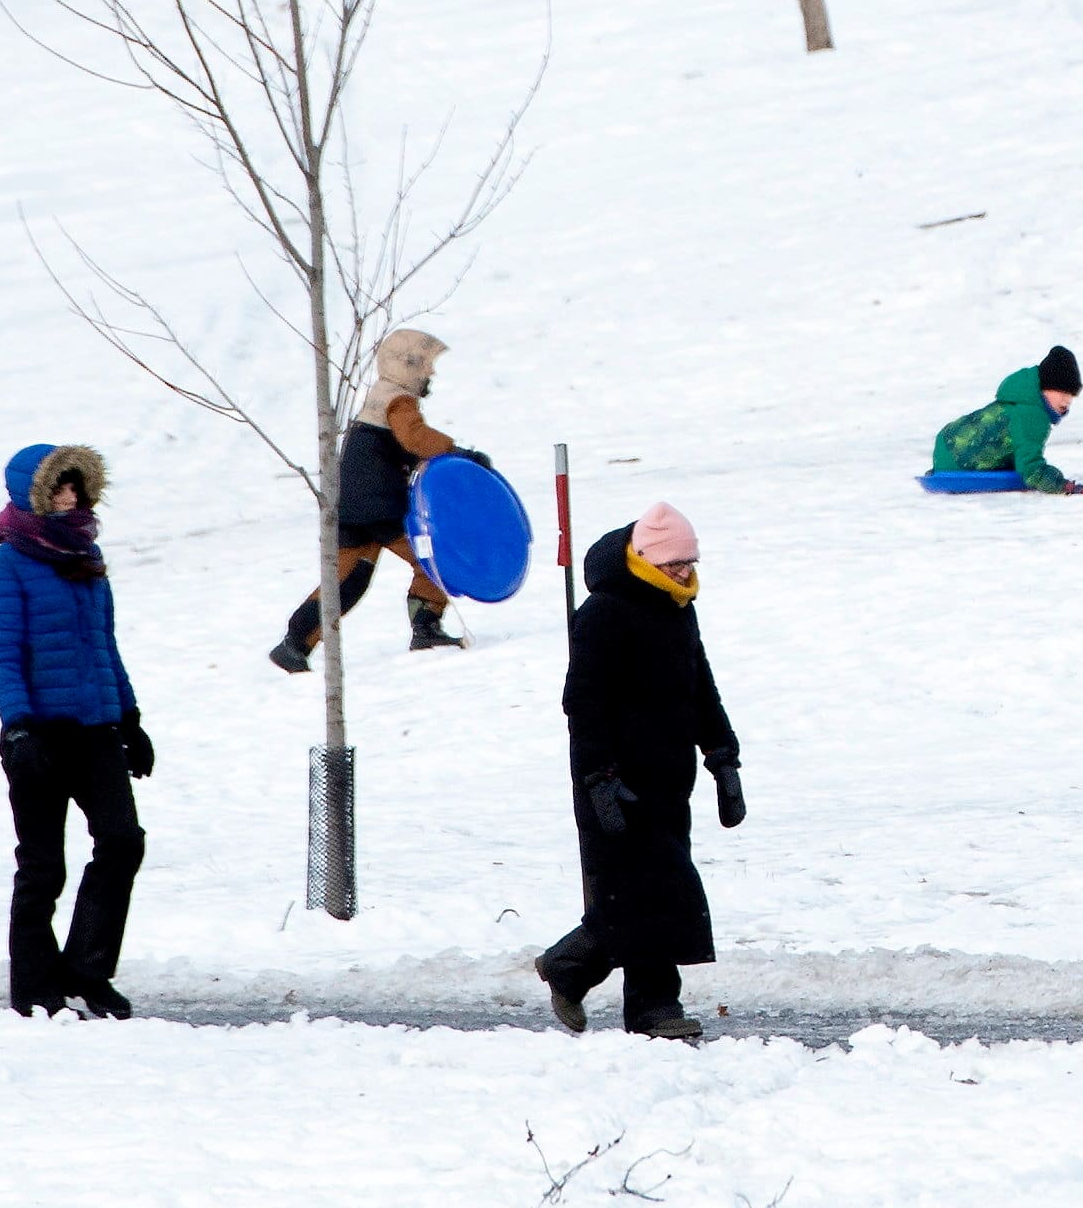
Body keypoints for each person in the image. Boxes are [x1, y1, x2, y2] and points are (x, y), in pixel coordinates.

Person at [535, 500, 744, 1040]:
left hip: (669, 779)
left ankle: (585, 974)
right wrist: (598, 778)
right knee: (647, 893)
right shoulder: (605, 613)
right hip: (616, 779)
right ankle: (640, 1002)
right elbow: (583, 703)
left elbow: (700, 689)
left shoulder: (677, 610)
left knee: (657, 893)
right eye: (675, 563)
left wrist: (723, 758)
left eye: (690, 562)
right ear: (645, 558)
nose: (684, 572)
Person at [0, 440, 151, 1019]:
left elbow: (105, 647)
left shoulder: (86, 560)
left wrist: (129, 718)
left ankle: (87, 971)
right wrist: (18, 727)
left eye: (76, 486)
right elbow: (2, 654)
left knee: (123, 842)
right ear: (32, 493)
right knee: (43, 865)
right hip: (39, 733)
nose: (69, 496)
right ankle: (34, 986)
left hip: (97, 729)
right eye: (58, 487)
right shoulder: (8, 564)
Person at [272, 327, 485, 670]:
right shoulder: (398, 401)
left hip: (351, 506)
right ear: (407, 365)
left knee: (348, 579)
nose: (430, 372)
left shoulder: (377, 400)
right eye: (425, 364)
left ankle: (295, 643)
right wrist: (457, 452)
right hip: (379, 507)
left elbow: (395, 449)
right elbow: (415, 439)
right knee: (434, 559)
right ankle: (426, 626)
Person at [930, 346, 1083, 495]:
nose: (1067, 401)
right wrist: (1066, 486)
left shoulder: (1019, 403)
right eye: (1063, 394)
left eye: (1071, 396)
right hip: (958, 462)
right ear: (1045, 389)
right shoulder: (1032, 415)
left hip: (945, 444)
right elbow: (1031, 469)